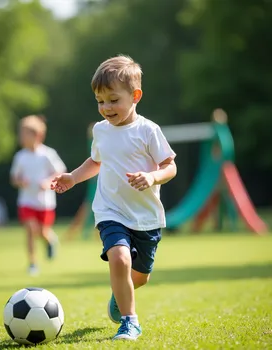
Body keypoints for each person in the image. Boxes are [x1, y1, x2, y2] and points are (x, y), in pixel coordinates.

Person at [51, 55, 177, 340]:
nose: (106, 108)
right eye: (100, 101)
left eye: (113, 100)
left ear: (135, 96)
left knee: (140, 276)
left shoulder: (148, 130)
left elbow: (170, 166)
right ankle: (130, 321)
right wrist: (72, 177)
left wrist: (153, 177)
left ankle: (120, 295)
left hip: (145, 217)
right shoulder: (100, 130)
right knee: (119, 258)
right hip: (110, 211)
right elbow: (96, 162)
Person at [10, 115, 66, 275]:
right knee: (30, 230)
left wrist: (48, 182)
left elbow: (60, 171)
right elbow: (14, 178)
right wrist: (20, 181)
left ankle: (50, 240)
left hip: (45, 202)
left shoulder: (47, 154)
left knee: (41, 231)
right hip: (26, 201)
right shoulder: (20, 156)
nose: (22, 137)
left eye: (25, 134)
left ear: (38, 135)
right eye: (21, 134)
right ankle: (32, 263)